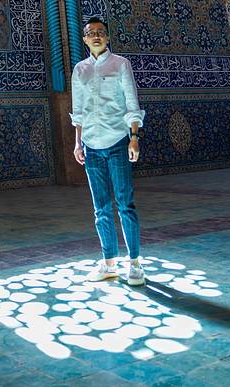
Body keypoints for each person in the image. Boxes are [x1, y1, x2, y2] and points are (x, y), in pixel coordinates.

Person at [71, 16, 146, 286]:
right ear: (84, 39)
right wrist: (78, 142)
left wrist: (133, 138)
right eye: (91, 33)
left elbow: (131, 103)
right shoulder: (80, 70)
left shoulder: (121, 64)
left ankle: (135, 264)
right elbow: (78, 110)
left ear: (107, 37)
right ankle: (109, 262)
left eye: (100, 32)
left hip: (116, 141)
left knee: (125, 204)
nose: (96, 36)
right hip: (91, 145)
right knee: (101, 208)